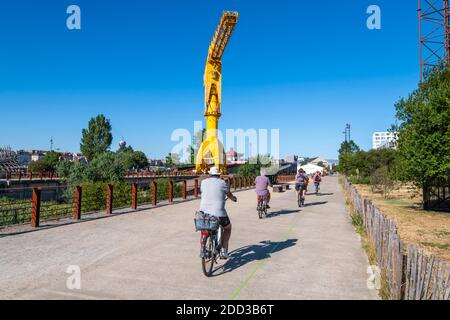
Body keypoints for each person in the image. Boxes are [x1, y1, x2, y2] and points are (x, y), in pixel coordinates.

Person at [199, 167, 237, 259]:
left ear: (210, 174)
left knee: (205, 226)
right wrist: (233, 198)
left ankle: (203, 247)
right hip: (219, 213)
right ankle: (223, 251)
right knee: (228, 228)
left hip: (203, 213)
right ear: (219, 175)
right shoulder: (222, 183)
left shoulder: (203, 182)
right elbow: (229, 195)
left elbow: (202, 192)